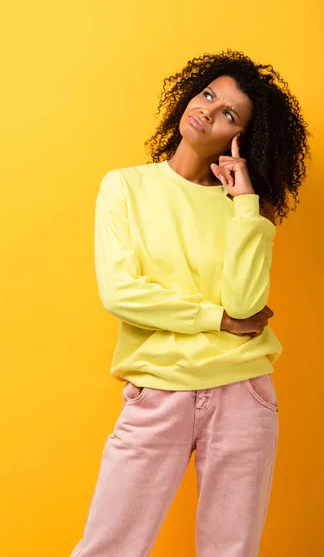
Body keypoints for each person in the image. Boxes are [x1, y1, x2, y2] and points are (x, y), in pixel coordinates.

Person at [70, 49, 311, 557]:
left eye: (229, 114)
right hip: (158, 391)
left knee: (232, 551)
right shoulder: (125, 187)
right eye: (208, 95)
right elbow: (121, 293)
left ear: (242, 138)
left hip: (243, 394)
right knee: (107, 548)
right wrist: (216, 317)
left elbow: (248, 302)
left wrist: (246, 204)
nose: (208, 109)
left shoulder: (243, 210)